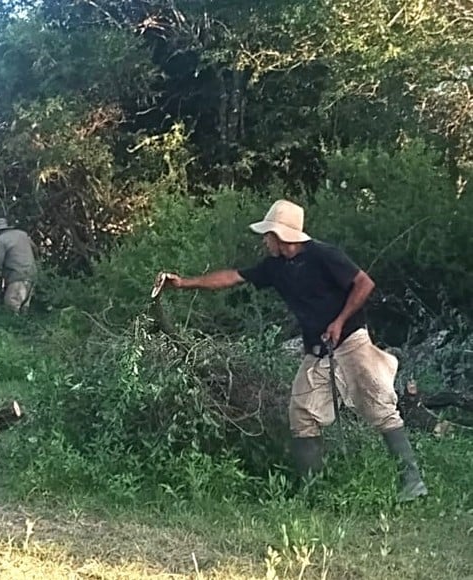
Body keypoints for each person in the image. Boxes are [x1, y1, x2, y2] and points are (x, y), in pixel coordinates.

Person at [155, 199, 427, 501]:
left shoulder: (324, 255)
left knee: (380, 408)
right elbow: (232, 277)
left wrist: (339, 321)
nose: (264, 240)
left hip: (351, 341)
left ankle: (411, 482)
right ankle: (313, 493)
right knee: (302, 413)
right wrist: (183, 284)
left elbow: (364, 283)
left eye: (268, 234)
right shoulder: (275, 267)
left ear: (281, 235)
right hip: (317, 349)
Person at [0, 217, 38, 313]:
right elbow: (35, 248)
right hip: (32, 274)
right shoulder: (22, 234)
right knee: (24, 309)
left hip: (17, 277)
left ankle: (13, 327)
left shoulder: (2, 239)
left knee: (11, 307)